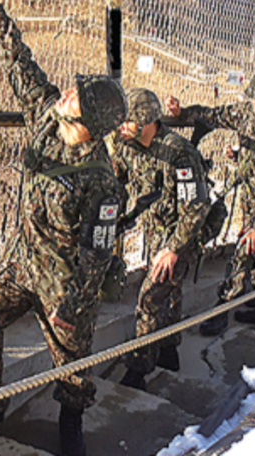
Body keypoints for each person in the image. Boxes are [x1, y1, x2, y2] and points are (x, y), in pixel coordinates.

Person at [0, 0, 126, 456]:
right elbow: (21, 67)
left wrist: (71, 307)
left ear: (87, 122)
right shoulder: (48, 119)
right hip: (22, 260)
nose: (66, 93)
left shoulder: (101, 182)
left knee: (73, 364)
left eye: (76, 96)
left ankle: (72, 422)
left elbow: (96, 255)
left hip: (64, 281)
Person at [166, 69, 255, 333]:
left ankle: (223, 309)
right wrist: (183, 113)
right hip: (251, 200)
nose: (254, 103)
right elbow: (213, 115)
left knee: (243, 254)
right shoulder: (247, 114)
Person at [107, 89, 217, 391]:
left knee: (150, 296)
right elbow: (117, 181)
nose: (122, 127)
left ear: (146, 121)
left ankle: (138, 369)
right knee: (170, 290)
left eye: (128, 121)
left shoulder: (179, 152)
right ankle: (169, 351)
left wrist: (173, 249)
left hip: (183, 233)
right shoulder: (127, 145)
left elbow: (196, 207)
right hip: (155, 230)